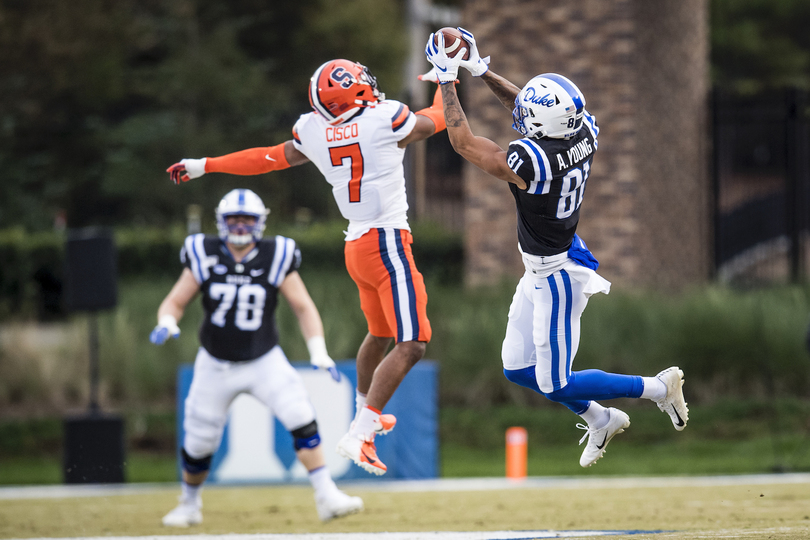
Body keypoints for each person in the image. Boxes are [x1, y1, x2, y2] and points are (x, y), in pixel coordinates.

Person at [165, 61, 447, 476]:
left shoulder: (314, 129)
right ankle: (362, 432)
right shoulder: (385, 119)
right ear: (352, 92)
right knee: (413, 342)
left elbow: (266, 159)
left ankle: (361, 413)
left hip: (356, 248)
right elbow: (438, 120)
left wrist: (205, 164)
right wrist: (447, 78)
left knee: (381, 333)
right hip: (387, 243)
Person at [424, 29, 689, 467]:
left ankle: (659, 387)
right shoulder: (584, 130)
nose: (523, 115)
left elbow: (464, 143)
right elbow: (525, 111)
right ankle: (602, 418)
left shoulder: (534, 162)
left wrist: (447, 79)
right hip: (544, 264)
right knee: (515, 367)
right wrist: (482, 69)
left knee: (555, 383)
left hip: (558, 274)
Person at [150, 188, 363, 526]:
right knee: (199, 440)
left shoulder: (276, 254)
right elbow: (175, 301)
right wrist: (166, 321)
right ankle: (189, 505)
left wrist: (318, 351)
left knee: (301, 416)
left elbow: (303, 306)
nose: (238, 226)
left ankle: (326, 496)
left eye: (246, 219)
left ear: (259, 222)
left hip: (263, 359)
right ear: (220, 222)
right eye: (233, 219)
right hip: (215, 362)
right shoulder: (203, 253)